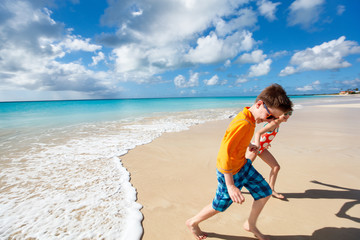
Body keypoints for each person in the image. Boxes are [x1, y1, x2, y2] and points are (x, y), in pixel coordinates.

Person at [186, 84, 293, 240]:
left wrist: (248, 145)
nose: (269, 120)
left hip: (242, 165)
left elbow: (233, 140)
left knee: (265, 193)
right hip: (228, 171)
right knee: (219, 206)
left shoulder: (250, 118)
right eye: (270, 116)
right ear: (259, 104)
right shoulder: (243, 122)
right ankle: (193, 222)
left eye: (274, 118)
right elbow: (225, 153)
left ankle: (250, 225)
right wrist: (230, 186)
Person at [246, 110, 293, 200]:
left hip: (262, 148)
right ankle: (230, 185)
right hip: (256, 148)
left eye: (290, 114)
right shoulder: (274, 123)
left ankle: (271, 190)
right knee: (243, 169)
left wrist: (265, 143)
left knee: (276, 167)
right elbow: (258, 133)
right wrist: (258, 144)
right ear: (279, 114)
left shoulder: (276, 124)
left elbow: (265, 135)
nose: (288, 116)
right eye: (285, 113)